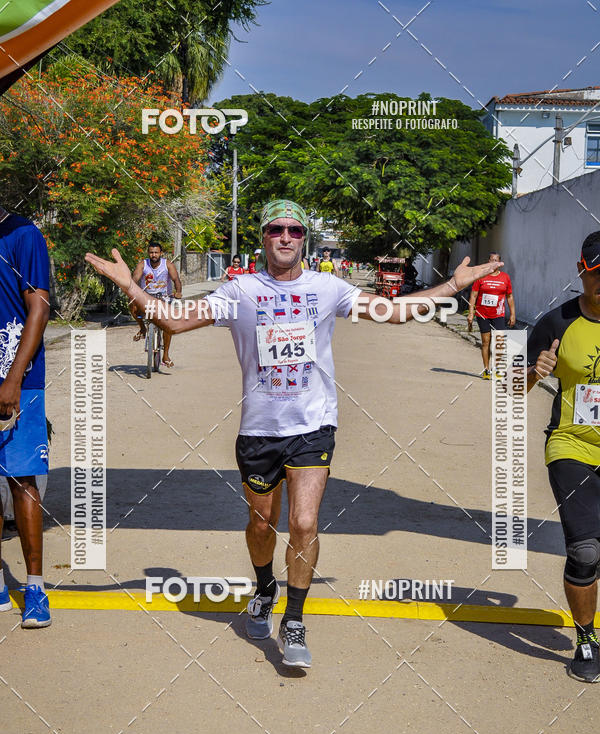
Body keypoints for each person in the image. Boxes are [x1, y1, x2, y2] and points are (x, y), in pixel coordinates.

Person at [85, 199, 501, 670]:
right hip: (260, 431)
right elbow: (174, 318)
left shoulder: (327, 287)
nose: (285, 237)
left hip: (314, 426)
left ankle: (296, 618)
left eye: (295, 231)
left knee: (303, 523)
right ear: (263, 237)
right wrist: (129, 286)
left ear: (305, 238)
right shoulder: (239, 291)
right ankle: (265, 588)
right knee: (262, 525)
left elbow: (395, 311)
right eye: (276, 229)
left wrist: (452, 286)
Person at [527, 231, 600, 682]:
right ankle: (587, 639)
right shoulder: (556, 322)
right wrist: (533, 371)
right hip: (572, 443)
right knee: (586, 549)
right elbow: (509, 390)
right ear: (581, 270)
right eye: (597, 272)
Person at [0, 207, 51, 628]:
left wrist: (14, 379)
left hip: (18, 377)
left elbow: (40, 307)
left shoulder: (24, 235)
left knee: (22, 479)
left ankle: (35, 587)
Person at [131, 240, 182, 368]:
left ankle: (165, 355)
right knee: (132, 305)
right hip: (146, 298)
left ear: (161, 253)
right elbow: (135, 279)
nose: (153, 255)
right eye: (151, 252)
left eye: (156, 252)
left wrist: (178, 292)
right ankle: (142, 328)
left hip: (164, 297)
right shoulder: (143, 264)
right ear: (148, 253)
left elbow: (176, 280)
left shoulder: (167, 265)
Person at [467, 251, 515, 378]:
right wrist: (471, 313)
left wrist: (512, 314)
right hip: (482, 314)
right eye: (491, 260)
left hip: (499, 314)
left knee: (499, 342)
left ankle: (498, 370)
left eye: (496, 260)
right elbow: (473, 295)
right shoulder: (481, 276)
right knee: (485, 342)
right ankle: (487, 370)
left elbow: (509, 297)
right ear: (488, 262)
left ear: (500, 263)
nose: (494, 262)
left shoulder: (505, 277)